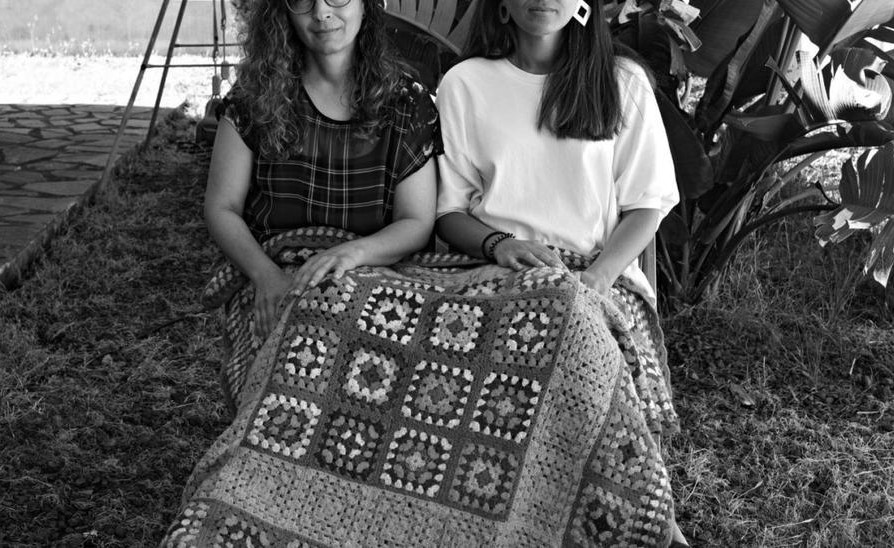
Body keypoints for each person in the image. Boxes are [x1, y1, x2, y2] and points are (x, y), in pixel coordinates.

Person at [433, 0, 687, 545]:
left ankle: (629, 518)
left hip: (599, 273)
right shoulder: (465, 83)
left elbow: (650, 204)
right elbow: (449, 212)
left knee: (569, 324)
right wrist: (499, 244)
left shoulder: (622, 82)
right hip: (489, 267)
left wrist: (595, 280)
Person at [203, 0, 441, 344]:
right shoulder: (254, 99)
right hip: (274, 272)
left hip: (374, 272)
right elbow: (221, 207)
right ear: (282, 12)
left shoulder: (406, 103)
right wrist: (266, 276)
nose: (321, 12)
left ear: (367, 5)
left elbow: (416, 221)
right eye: (303, 0)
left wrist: (351, 254)